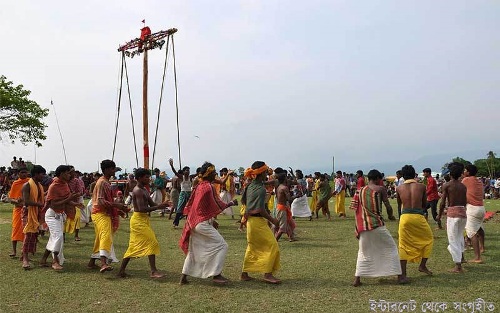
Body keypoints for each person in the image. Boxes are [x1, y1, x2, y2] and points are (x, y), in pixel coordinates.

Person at [179, 162, 238, 285]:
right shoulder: (208, 187)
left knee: (194, 250)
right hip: (201, 223)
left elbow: (198, 207)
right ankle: (216, 275)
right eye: (214, 173)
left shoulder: (199, 186)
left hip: (193, 222)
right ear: (209, 174)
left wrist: (212, 220)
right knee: (222, 245)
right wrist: (231, 203)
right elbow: (217, 204)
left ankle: (183, 277)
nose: (216, 174)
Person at [350, 170, 403, 286]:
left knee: (363, 251)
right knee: (391, 248)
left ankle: (357, 279)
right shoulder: (380, 189)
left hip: (363, 226)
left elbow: (354, 208)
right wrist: (391, 216)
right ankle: (400, 277)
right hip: (377, 224)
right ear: (378, 178)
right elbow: (388, 206)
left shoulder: (359, 190)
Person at [118, 168, 170, 278]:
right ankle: (153, 271)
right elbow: (141, 208)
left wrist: (162, 205)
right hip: (138, 220)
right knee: (152, 241)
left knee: (134, 246)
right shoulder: (138, 190)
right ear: (140, 178)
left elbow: (152, 204)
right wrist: (159, 207)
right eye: (146, 177)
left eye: (149, 176)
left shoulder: (145, 190)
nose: (149, 178)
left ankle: (121, 271)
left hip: (143, 220)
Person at [241, 161, 281, 284]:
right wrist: (273, 220)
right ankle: (267, 274)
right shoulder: (261, 190)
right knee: (272, 245)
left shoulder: (249, 185)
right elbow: (260, 209)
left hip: (250, 221)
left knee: (252, 246)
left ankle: (244, 273)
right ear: (263, 172)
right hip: (257, 221)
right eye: (266, 171)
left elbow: (246, 202)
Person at [87, 160, 128, 273]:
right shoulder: (102, 182)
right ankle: (103, 263)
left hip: (102, 212)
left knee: (100, 237)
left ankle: (92, 262)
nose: (114, 170)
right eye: (112, 168)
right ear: (106, 170)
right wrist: (117, 205)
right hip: (100, 213)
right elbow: (100, 201)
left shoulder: (106, 182)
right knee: (105, 235)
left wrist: (117, 209)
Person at [40, 165, 82, 270]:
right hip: (52, 215)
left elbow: (67, 200)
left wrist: (75, 204)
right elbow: (54, 204)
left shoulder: (64, 185)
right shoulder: (54, 186)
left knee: (54, 238)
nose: (70, 175)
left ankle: (43, 259)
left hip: (60, 215)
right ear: (62, 173)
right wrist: (70, 199)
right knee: (58, 237)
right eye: (68, 173)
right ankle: (55, 261)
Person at [396, 165, 433, 282]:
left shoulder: (399, 188)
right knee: (429, 239)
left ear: (403, 175)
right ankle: (422, 265)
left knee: (403, 244)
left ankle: (402, 275)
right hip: (418, 216)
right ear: (414, 174)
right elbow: (424, 204)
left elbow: (399, 204)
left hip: (405, 217)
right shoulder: (421, 186)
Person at [437, 163, 467, 273]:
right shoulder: (463, 186)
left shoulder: (447, 185)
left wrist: (439, 215)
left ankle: (458, 266)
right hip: (463, 213)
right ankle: (461, 257)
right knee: (459, 237)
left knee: (453, 239)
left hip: (453, 214)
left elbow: (442, 202)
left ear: (450, 174)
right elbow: (464, 202)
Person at [20, 165, 46, 270]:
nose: (43, 176)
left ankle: (24, 255)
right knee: (29, 233)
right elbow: (26, 201)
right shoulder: (27, 185)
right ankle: (25, 259)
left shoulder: (39, 185)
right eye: (42, 174)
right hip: (28, 212)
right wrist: (39, 204)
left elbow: (40, 197)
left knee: (34, 234)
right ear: (36, 174)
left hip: (36, 212)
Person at [462, 164, 486, 263]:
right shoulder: (479, 181)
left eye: (465, 170)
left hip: (472, 208)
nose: (463, 172)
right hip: (481, 208)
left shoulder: (466, 180)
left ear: (468, 172)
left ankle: (477, 257)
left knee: (471, 233)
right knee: (480, 229)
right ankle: (482, 247)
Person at [6, 168, 29, 257]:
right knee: (15, 228)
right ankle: (14, 251)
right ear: (18, 173)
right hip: (18, 209)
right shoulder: (15, 184)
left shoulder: (30, 182)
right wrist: (18, 202)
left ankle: (24, 251)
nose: (24, 174)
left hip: (28, 209)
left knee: (26, 230)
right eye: (22, 173)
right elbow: (11, 199)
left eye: (25, 172)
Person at [274, 168, 296, 241]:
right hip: (282, 207)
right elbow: (289, 199)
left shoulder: (279, 186)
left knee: (285, 222)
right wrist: (297, 196)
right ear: (284, 178)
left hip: (280, 206)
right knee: (282, 227)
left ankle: (291, 237)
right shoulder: (284, 187)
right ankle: (274, 241)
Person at [169, 158, 192, 228]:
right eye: (186, 170)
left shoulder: (191, 177)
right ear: (184, 171)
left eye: (188, 170)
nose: (188, 171)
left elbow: (199, 174)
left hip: (189, 194)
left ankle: (189, 223)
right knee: (179, 208)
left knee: (189, 208)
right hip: (183, 193)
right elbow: (175, 172)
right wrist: (172, 166)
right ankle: (175, 223)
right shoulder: (181, 177)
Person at [65, 166, 86, 241]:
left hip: (75, 202)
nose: (73, 174)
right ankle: (63, 236)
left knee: (77, 218)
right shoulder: (64, 181)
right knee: (64, 219)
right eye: (71, 172)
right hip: (65, 203)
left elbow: (80, 192)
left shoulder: (76, 181)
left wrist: (75, 195)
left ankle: (76, 235)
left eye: (74, 172)